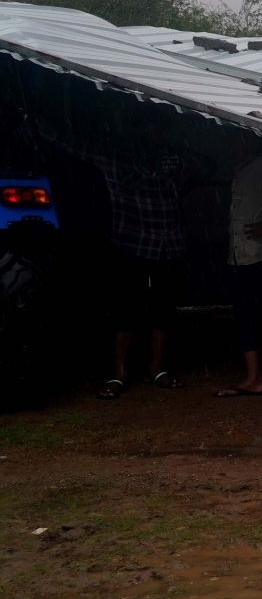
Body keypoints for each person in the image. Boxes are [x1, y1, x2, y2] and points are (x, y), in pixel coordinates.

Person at [41, 109, 203, 397]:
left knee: (162, 309)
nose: (157, 136)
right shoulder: (118, 158)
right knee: (126, 309)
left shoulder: (173, 160)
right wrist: (36, 123)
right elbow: (73, 145)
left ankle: (155, 369)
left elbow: (206, 164)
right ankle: (119, 372)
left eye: (161, 132)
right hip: (133, 244)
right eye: (154, 130)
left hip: (171, 245)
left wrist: (174, 159)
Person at [218, 132, 262, 397]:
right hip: (238, 255)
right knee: (246, 315)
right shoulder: (239, 168)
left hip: (260, 254)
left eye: (236, 139)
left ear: (250, 141)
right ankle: (254, 377)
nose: (232, 144)